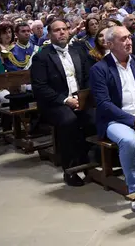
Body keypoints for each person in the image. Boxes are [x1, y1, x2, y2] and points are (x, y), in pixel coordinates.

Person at [90, 26, 135, 212]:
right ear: (109, 44)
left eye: (129, 37)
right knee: (129, 140)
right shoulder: (99, 69)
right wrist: (133, 121)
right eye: (123, 39)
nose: (129, 42)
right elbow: (104, 104)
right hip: (114, 119)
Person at [31, 18, 96, 186]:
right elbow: (40, 87)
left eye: (65, 29)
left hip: (80, 99)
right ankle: (70, 170)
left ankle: (91, 162)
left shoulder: (78, 51)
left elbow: (88, 77)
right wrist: (66, 100)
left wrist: (83, 97)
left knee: (95, 119)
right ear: (49, 34)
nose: (62, 32)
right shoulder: (41, 57)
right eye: (57, 30)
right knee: (69, 121)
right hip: (56, 103)